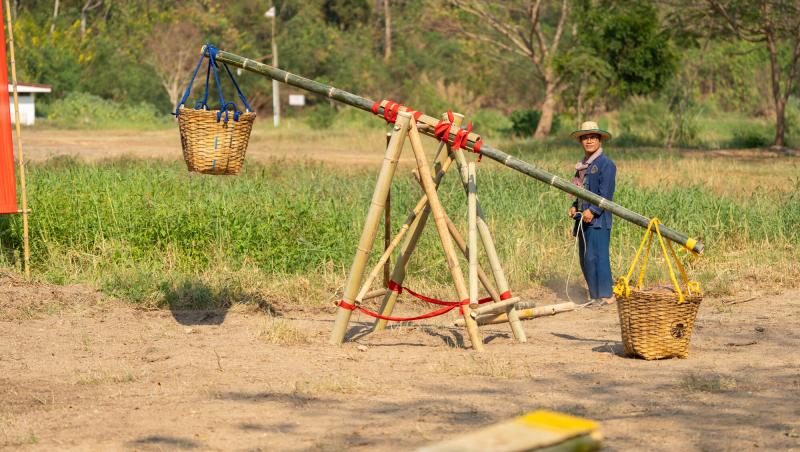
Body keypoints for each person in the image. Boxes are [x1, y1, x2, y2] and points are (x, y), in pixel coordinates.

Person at [568, 121, 616, 306]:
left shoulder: (606, 165)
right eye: (585, 138)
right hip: (583, 219)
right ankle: (594, 295)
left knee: (598, 256)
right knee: (586, 257)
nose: (588, 141)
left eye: (592, 137)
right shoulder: (582, 165)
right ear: (581, 141)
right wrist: (575, 206)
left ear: (599, 140)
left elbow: (606, 194)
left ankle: (605, 295)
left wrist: (593, 210)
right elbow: (580, 190)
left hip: (599, 220)